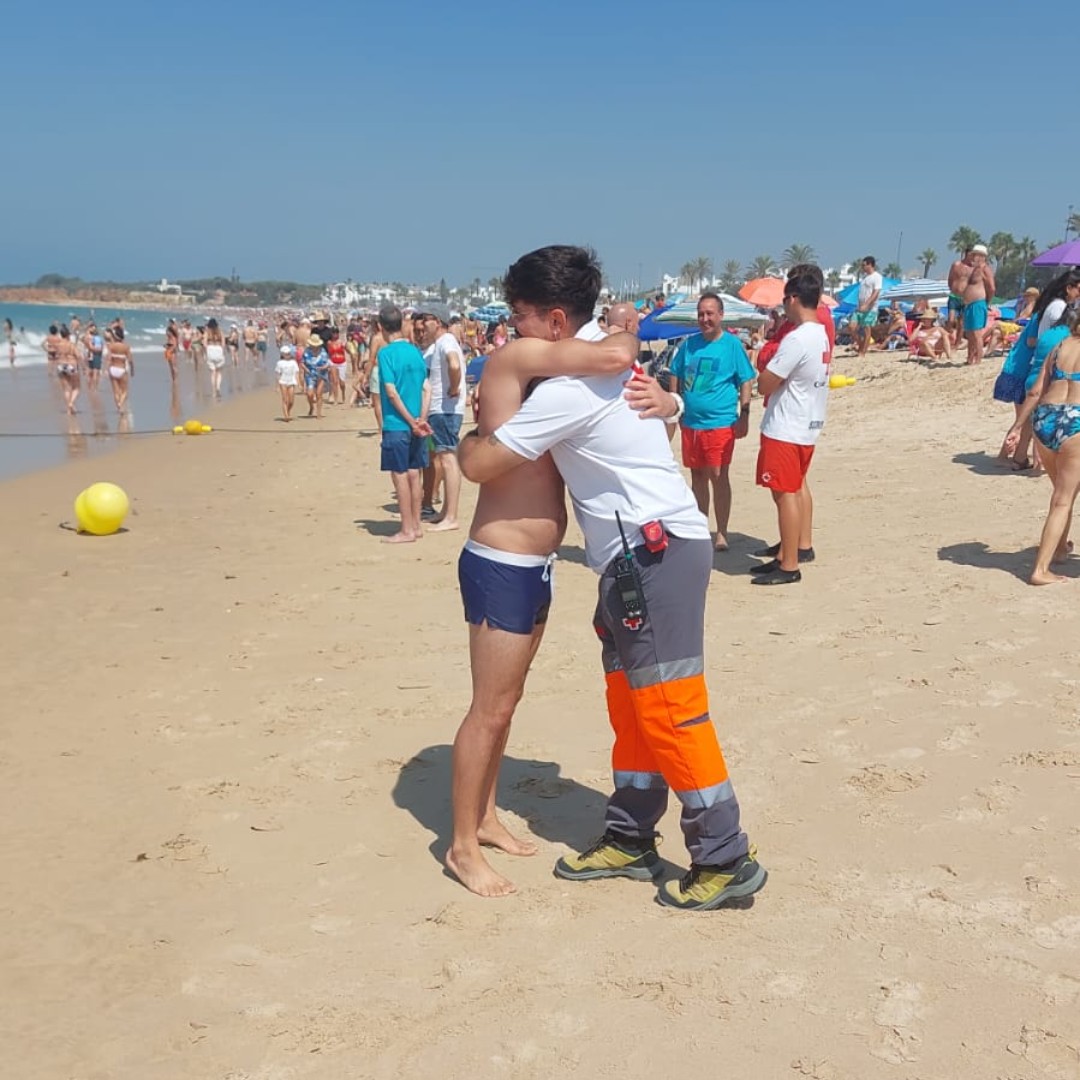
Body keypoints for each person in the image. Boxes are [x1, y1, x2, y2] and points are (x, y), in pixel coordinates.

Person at [458, 245, 765, 912]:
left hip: (652, 555)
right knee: (631, 703)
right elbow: (642, 395)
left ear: (556, 320)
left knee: (670, 707)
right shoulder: (610, 355)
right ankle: (630, 834)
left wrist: (463, 438)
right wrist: (672, 404)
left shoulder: (567, 392)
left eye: (520, 317)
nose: (514, 331)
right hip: (636, 557)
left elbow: (481, 467)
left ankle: (723, 855)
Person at [750, 266, 831, 586]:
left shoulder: (797, 338)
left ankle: (789, 564)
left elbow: (766, 382)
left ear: (794, 299)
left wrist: (764, 368)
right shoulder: (820, 333)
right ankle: (789, 552)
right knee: (793, 489)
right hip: (805, 422)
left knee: (784, 494)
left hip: (787, 425)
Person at [668, 293, 756, 551]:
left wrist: (745, 414)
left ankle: (722, 532)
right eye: (701, 314)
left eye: (709, 314)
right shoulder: (688, 345)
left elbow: (746, 379)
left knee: (718, 474)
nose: (704, 319)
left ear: (720, 315)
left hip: (721, 422)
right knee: (697, 476)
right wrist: (675, 404)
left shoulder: (732, 345)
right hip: (691, 423)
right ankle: (700, 529)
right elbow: (675, 372)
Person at [1005, 304, 1080, 584]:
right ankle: (1040, 570)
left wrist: (1016, 427)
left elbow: (1036, 391)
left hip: (1045, 419)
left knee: (1063, 491)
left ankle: (1059, 549)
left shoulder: (1059, 346)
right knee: (1062, 499)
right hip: (1076, 421)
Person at [376, 305, 432, 543]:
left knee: (400, 476)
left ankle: (407, 529)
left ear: (380, 327)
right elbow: (427, 388)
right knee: (414, 474)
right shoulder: (415, 351)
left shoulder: (386, 354)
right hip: (416, 423)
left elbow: (391, 392)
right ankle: (416, 526)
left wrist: (410, 421)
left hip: (396, 424)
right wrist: (421, 419)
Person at [415, 301, 466, 532]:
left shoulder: (446, 341)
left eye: (426, 319)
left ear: (438, 321)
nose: (422, 324)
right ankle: (446, 512)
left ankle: (451, 516)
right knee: (446, 458)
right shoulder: (441, 343)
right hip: (442, 409)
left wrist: (454, 388)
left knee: (448, 460)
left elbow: (454, 365)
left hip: (445, 409)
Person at [961, 244, 995, 365]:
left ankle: (978, 359)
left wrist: (987, 301)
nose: (973, 257)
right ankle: (970, 358)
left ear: (982, 256)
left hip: (978, 303)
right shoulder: (973, 269)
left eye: (975, 255)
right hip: (969, 304)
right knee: (969, 333)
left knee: (976, 333)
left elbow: (992, 287)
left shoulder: (985, 269)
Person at [853, 256, 882, 357]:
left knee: (866, 329)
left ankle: (863, 352)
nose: (862, 267)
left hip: (870, 308)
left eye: (864, 265)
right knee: (851, 327)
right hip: (860, 307)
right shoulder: (865, 278)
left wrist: (867, 304)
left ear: (870, 265)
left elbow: (876, 292)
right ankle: (861, 345)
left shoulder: (877, 277)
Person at [301, 333, 331, 419]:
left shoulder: (323, 351)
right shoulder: (306, 351)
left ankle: (319, 413)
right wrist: (305, 369)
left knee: (319, 393)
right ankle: (311, 406)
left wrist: (323, 367)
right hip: (310, 374)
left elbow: (328, 363)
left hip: (321, 374)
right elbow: (302, 363)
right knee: (309, 394)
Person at [105, 326, 133, 414]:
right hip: (121, 369)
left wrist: (106, 369)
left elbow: (108, 358)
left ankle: (118, 406)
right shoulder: (126, 347)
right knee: (124, 391)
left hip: (113, 368)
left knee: (115, 391)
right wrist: (132, 369)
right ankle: (120, 404)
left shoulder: (111, 346)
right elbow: (130, 359)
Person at [56, 326, 81, 414]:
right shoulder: (71, 344)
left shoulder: (58, 345)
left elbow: (56, 355)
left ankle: (69, 410)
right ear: (68, 335)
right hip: (71, 365)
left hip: (61, 365)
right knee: (77, 387)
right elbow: (78, 355)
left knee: (66, 389)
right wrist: (83, 366)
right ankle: (71, 403)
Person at [275, 344, 299, 421]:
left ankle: (288, 411)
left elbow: (296, 372)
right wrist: (277, 386)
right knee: (285, 399)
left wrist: (298, 382)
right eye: (286, 354)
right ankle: (286, 416)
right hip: (283, 381)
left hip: (291, 382)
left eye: (288, 353)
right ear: (282, 354)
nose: (287, 355)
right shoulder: (279, 363)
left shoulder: (293, 362)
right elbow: (278, 374)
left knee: (291, 401)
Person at [205, 318, 227, 398]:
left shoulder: (207, 332)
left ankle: (213, 391)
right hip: (218, 349)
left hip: (210, 349)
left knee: (213, 373)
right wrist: (222, 351)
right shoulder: (220, 332)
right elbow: (223, 343)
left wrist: (207, 350)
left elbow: (204, 343)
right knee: (219, 372)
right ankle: (218, 388)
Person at [83, 322, 104, 389]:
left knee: (89, 371)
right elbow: (91, 346)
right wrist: (99, 349)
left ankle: (89, 387)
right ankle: (94, 388)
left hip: (87, 352)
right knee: (94, 372)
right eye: (93, 328)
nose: (94, 330)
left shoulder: (86, 335)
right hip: (92, 353)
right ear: (89, 328)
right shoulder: (91, 337)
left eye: (94, 329)